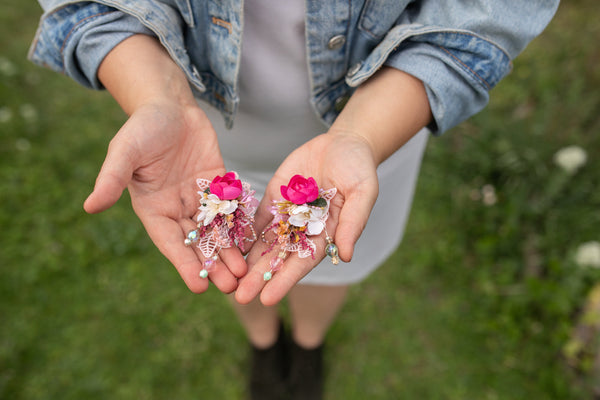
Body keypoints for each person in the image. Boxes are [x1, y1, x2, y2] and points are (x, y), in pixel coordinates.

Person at [29, 1, 559, 399]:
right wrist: (155, 97)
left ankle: (308, 345)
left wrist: (361, 138)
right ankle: (263, 342)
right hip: (202, 134)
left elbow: (487, 13)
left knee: (326, 260)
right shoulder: (192, 147)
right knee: (226, 253)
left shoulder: (364, 140)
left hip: (375, 124)